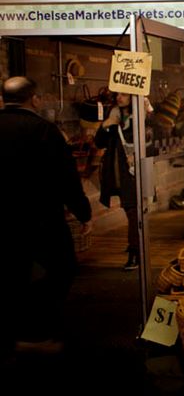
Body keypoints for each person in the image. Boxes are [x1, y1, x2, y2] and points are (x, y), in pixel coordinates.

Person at [0, 76, 92, 355]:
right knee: (62, 269)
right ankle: (36, 332)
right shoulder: (44, 130)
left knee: (11, 273)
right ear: (34, 99)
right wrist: (83, 212)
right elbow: (66, 177)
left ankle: (14, 333)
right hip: (41, 219)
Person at [94, 92, 140, 270]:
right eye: (118, 95)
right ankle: (135, 246)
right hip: (119, 173)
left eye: (124, 95)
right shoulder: (113, 115)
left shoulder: (140, 116)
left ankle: (135, 252)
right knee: (131, 211)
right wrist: (106, 125)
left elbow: (155, 134)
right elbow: (99, 143)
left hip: (134, 172)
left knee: (133, 211)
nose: (119, 98)